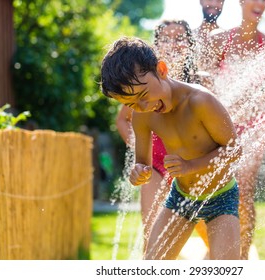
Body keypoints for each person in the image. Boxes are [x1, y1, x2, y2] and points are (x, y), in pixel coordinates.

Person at [101, 37, 242, 260]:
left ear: (162, 69)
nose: (144, 106)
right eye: (131, 104)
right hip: (180, 198)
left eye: (144, 96)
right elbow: (142, 162)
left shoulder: (200, 101)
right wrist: (139, 171)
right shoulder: (142, 115)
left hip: (221, 197)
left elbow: (234, 149)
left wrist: (191, 166)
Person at [210, 0, 265, 259]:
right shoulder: (219, 40)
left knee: (244, 194)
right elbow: (205, 88)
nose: (260, 3)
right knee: (216, 193)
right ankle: (220, 255)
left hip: (253, 129)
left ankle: (242, 259)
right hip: (220, 128)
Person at [115, 20, 207, 254]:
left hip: (192, 167)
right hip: (155, 167)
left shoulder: (200, 81)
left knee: (210, 234)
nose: (173, 44)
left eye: (180, 39)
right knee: (154, 236)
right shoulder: (143, 83)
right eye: (166, 38)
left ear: (190, 45)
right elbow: (122, 120)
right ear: (156, 46)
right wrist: (139, 149)